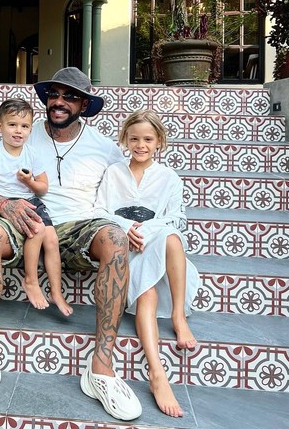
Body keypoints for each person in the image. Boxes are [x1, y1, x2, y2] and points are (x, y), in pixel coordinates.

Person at [0, 67, 143, 421]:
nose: (59, 102)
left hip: (80, 227)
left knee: (114, 238)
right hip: (23, 222)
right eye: (54, 94)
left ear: (84, 104)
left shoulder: (104, 147)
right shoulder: (22, 132)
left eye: (70, 96)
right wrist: (3, 205)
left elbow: (127, 191)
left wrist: (136, 225)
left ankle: (101, 369)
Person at [93, 110, 200, 418]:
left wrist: (146, 231)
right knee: (147, 294)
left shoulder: (169, 178)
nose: (141, 145)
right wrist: (127, 229)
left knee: (172, 237)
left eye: (148, 140)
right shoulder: (114, 173)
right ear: (125, 140)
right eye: (135, 139)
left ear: (159, 142)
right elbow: (99, 210)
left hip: (159, 244)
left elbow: (178, 218)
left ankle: (178, 315)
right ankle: (157, 373)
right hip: (126, 247)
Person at [0, 98, 73, 316]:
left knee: (52, 239)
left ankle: (56, 291)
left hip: (31, 200)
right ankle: (31, 280)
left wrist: (29, 182)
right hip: (8, 201)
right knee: (38, 229)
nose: (19, 131)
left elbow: (43, 187)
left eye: (25, 126)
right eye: (12, 125)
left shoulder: (32, 153)